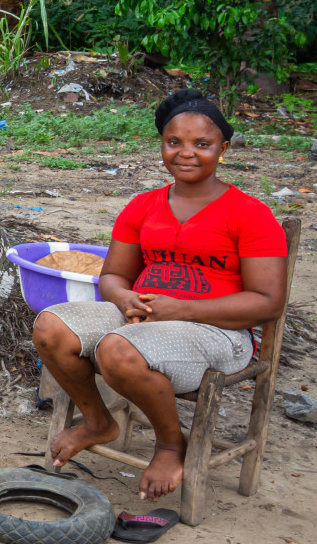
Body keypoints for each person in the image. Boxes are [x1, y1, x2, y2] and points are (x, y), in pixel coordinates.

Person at [34, 89, 288, 501]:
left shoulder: (250, 214)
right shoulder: (143, 206)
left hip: (220, 333)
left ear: (223, 148)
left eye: (202, 144)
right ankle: (98, 421)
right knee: (51, 327)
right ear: (162, 146)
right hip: (144, 319)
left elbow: (267, 302)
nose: (186, 153)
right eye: (174, 143)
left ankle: (172, 444)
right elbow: (114, 275)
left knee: (117, 350)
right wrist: (124, 299)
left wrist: (184, 310)